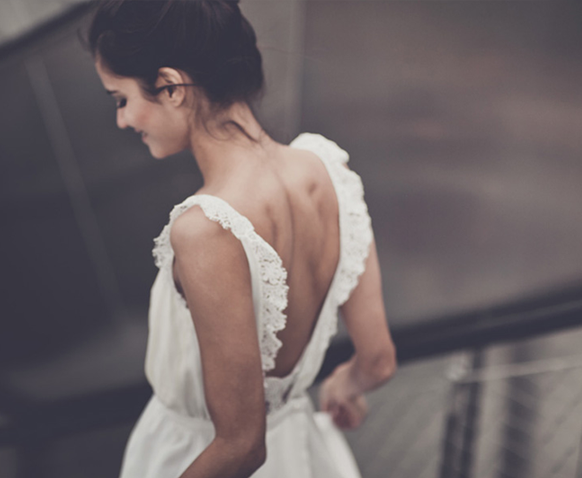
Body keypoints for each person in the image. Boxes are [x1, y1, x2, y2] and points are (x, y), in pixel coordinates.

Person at [85, 1, 396, 476]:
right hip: (301, 452)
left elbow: (241, 445)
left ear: (170, 87)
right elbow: (377, 362)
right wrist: (345, 386)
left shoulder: (205, 228)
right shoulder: (327, 168)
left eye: (120, 99)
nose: (123, 121)